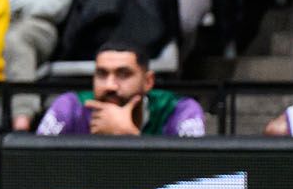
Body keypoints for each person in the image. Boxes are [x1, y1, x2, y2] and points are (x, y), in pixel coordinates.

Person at [35, 46, 207, 136]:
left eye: (123, 74)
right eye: (102, 74)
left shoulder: (178, 110)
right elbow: (31, 166)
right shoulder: (71, 106)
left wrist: (129, 138)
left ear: (148, 81)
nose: (110, 85)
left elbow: (194, 177)